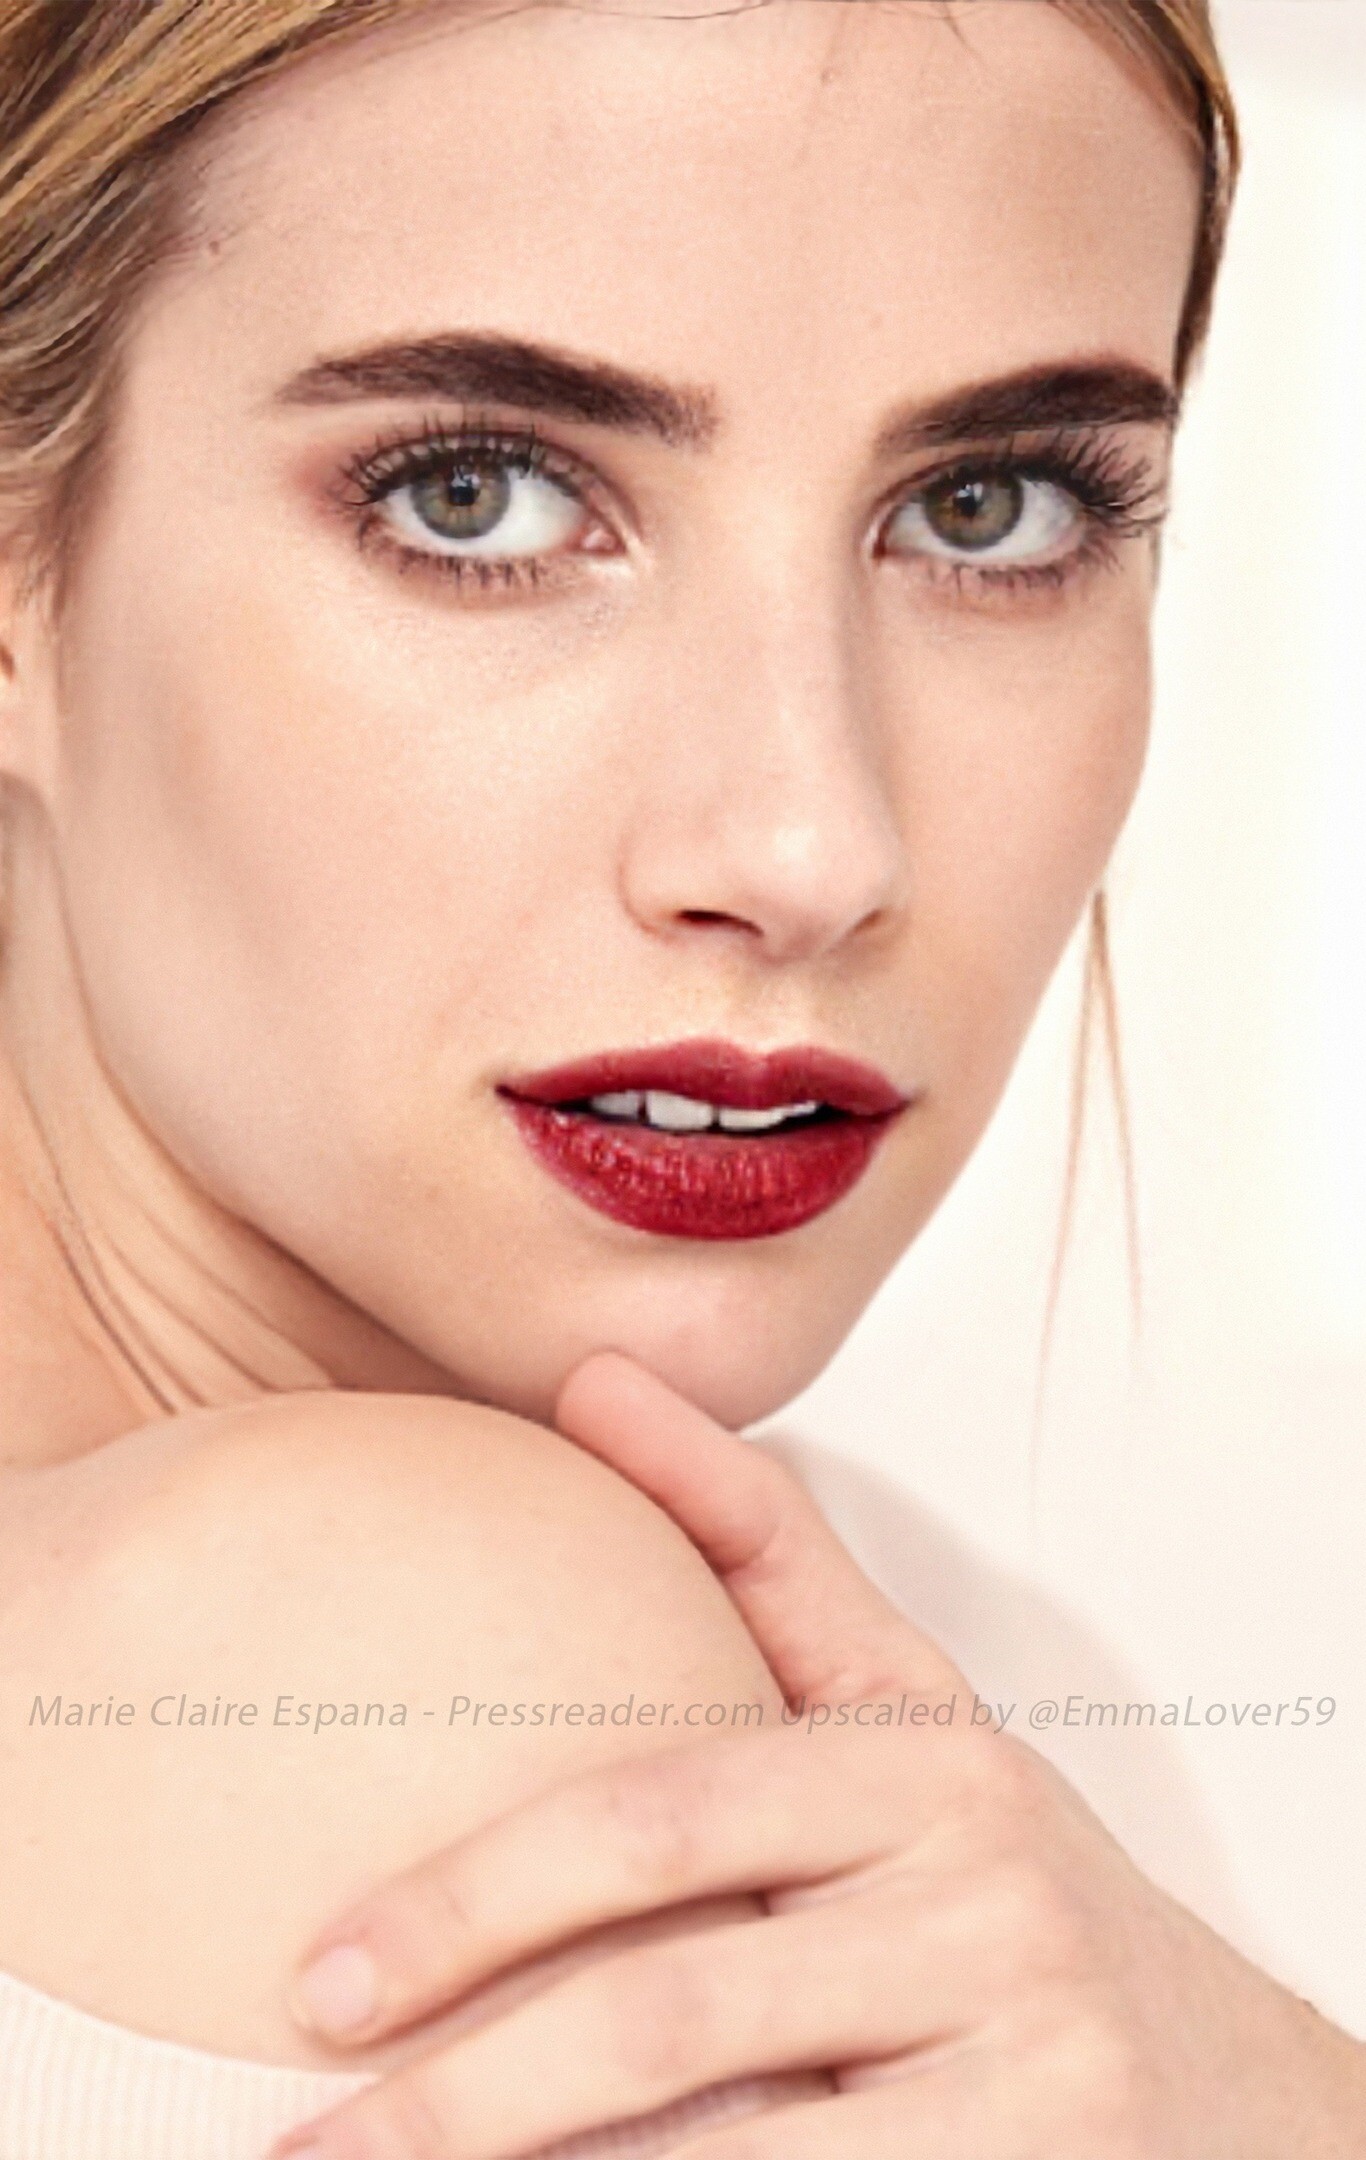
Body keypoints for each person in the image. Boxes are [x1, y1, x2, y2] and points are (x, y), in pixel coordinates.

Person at [0, 0, 1361, 2155]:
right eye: (479, 496)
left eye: (989, 509)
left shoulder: (944, 1688)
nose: (810, 845)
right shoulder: (414, 1655)